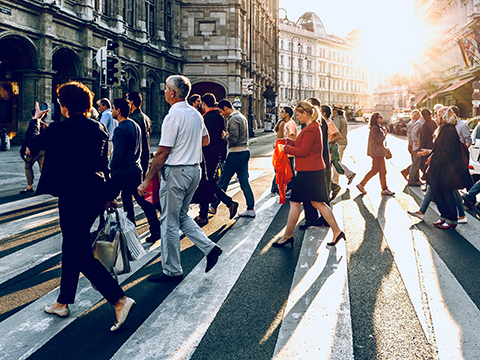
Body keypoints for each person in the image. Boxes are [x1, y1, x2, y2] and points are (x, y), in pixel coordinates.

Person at [26, 82, 134, 332]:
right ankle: (63, 301)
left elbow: (31, 143)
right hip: (95, 193)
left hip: (73, 194)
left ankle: (119, 299)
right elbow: (103, 164)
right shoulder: (98, 127)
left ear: (65, 105)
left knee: (80, 252)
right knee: (72, 244)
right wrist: (108, 195)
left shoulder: (59, 128)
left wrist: (35, 119)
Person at [137, 75, 223, 283]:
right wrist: (188, 146)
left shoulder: (173, 116)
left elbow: (162, 153)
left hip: (176, 172)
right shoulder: (195, 114)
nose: (164, 91)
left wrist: (146, 180)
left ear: (172, 93)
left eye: (166, 88)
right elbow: (206, 140)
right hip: (194, 171)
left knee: (168, 222)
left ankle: (172, 270)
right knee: (181, 216)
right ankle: (210, 248)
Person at [273, 101, 345, 247]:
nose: (297, 117)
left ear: (305, 113)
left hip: (309, 172)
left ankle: (287, 236)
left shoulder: (312, 128)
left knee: (295, 203)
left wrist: (286, 149)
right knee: (317, 202)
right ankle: (337, 231)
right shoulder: (312, 127)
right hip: (312, 170)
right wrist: (288, 141)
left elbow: (303, 151)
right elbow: (302, 146)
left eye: (299, 114)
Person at [110, 98, 160, 243]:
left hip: (121, 172)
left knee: (106, 199)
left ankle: (103, 230)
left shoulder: (120, 129)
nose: (112, 111)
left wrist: (111, 167)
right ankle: (154, 228)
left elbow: (118, 154)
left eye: (113, 108)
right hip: (135, 169)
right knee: (140, 200)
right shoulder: (135, 125)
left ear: (118, 110)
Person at [415, 107, 469, 229]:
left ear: (444, 116)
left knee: (447, 194)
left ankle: (451, 220)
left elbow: (447, 152)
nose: (436, 117)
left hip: (446, 169)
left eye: (438, 115)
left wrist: (436, 163)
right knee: (439, 193)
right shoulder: (443, 129)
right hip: (440, 167)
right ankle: (444, 217)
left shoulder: (449, 130)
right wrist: (430, 153)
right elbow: (439, 149)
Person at [193, 93, 238, 226]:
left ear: (204, 104)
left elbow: (202, 138)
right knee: (208, 183)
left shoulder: (204, 118)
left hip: (205, 155)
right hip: (216, 154)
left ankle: (206, 213)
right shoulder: (220, 118)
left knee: (206, 183)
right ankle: (207, 212)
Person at [209, 99, 256, 218]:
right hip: (244, 151)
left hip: (236, 153)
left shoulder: (233, 119)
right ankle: (250, 208)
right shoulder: (242, 116)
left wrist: (224, 135)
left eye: (221, 111)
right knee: (244, 182)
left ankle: (213, 206)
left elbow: (234, 139)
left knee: (223, 180)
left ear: (225, 108)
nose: (221, 114)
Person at [299, 98, 331, 229]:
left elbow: (308, 145)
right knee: (315, 193)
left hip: (316, 162)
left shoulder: (317, 123)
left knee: (319, 193)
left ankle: (321, 218)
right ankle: (315, 218)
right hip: (315, 162)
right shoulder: (312, 122)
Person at [356, 112, 395, 196]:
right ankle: (383, 189)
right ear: (375, 119)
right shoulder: (375, 128)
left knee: (377, 170)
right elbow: (379, 140)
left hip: (377, 152)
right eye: (379, 117)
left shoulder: (377, 127)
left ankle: (362, 184)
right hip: (377, 152)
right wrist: (384, 134)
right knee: (381, 171)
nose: (381, 118)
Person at [19, 108, 48, 194]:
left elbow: (29, 138)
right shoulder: (45, 126)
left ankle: (29, 186)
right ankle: (46, 186)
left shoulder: (33, 124)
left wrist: (27, 148)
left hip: (33, 151)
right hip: (43, 151)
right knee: (43, 169)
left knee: (27, 166)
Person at [127, 91, 152, 177]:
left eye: (127, 100)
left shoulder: (133, 119)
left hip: (137, 158)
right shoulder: (145, 117)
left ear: (132, 102)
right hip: (145, 155)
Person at [332, 106, 356, 186]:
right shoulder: (343, 118)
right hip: (343, 142)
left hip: (338, 143)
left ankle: (337, 180)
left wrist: (332, 140)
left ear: (335, 111)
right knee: (336, 161)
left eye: (333, 110)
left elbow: (335, 131)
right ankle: (345, 175)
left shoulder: (337, 119)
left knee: (336, 162)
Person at [271, 106, 288, 194]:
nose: (281, 113)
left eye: (282, 112)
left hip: (278, 146)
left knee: (278, 168)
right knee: (279, 169)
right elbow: (281, 137)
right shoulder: (282, 123)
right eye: (281, 112)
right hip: (280, 147)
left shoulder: (281, 122)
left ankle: (274, 187)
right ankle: (275, 187)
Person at [408, 110, 424, 186]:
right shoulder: (414, 123)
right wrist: (412, 146)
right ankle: (411, 180)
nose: (420, 116)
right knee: (415, 163)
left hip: (414, 145)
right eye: (418, 114)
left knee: (416, 163)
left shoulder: (415, 123)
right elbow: (412, 137)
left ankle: (416, 179)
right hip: (414, 146)